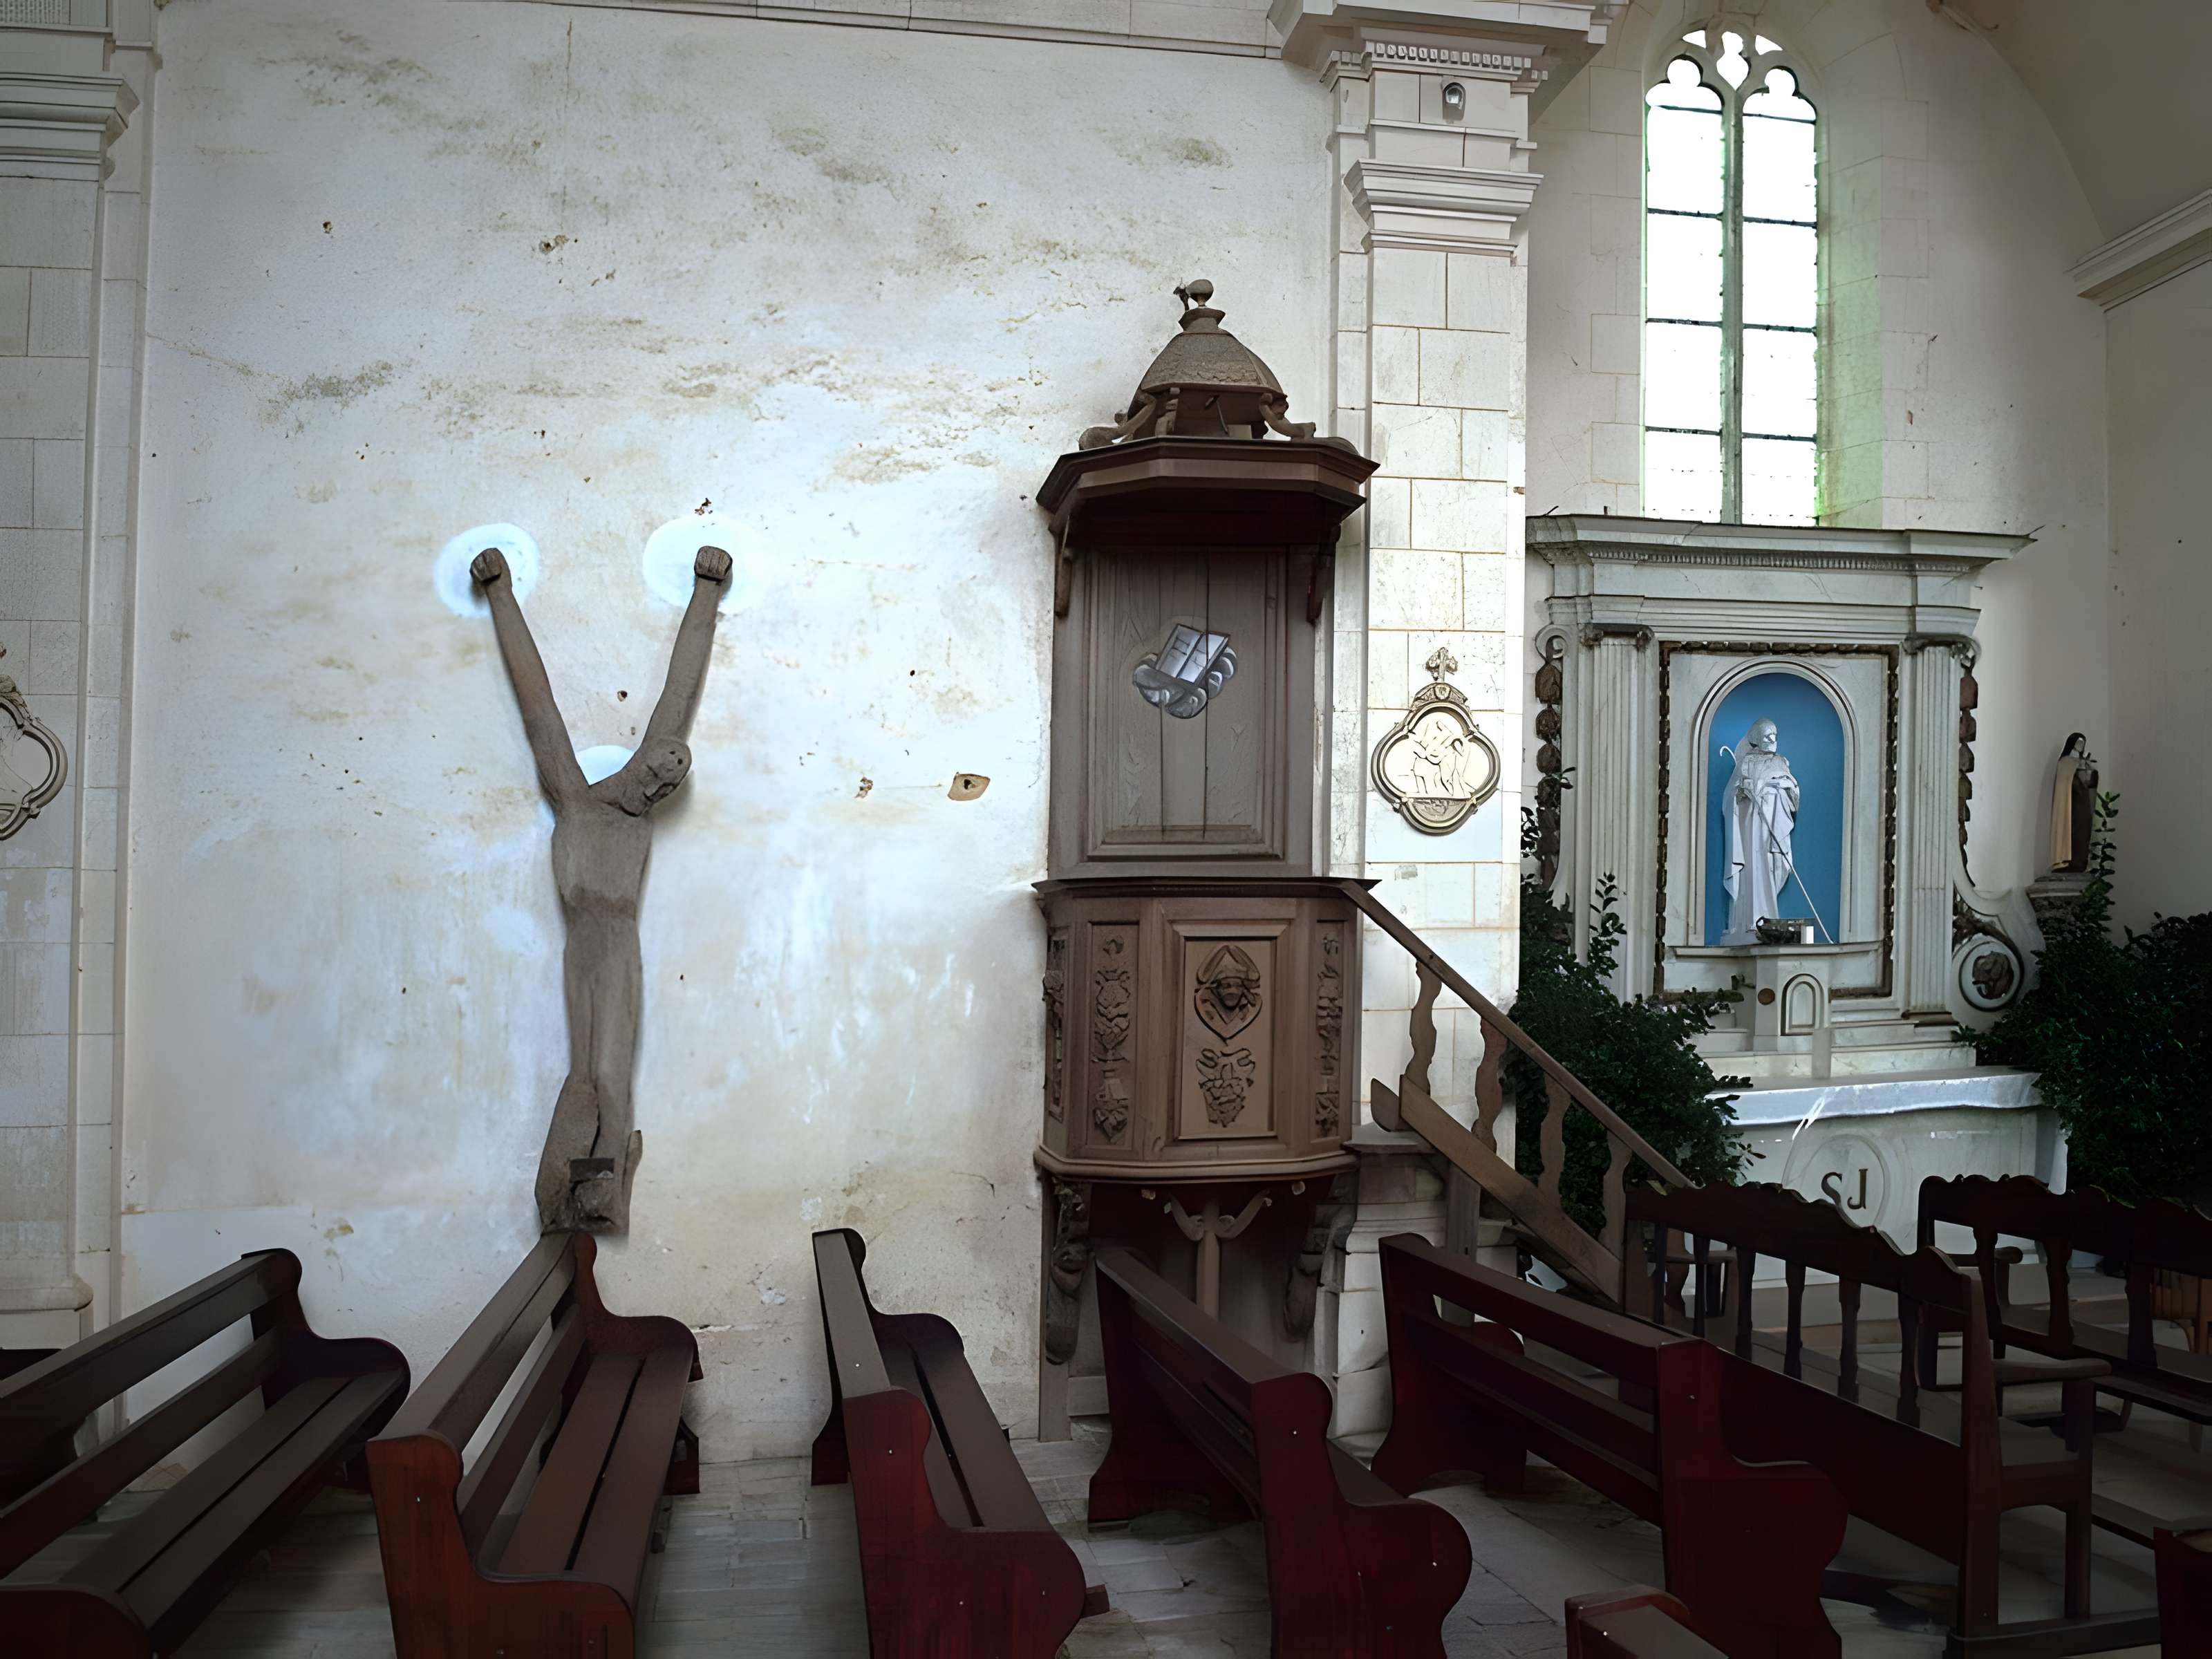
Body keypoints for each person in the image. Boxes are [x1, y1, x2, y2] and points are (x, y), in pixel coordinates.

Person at [473, 543, 730, 1232]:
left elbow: (683, 690)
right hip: (582, 953)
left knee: (610, 1083)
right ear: (640, 760)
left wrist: (707, 592)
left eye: (672, 782)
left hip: (618, 952)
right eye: (658, 768)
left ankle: (597, 1193)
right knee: (582, 1080)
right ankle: (567, 1194)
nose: (660, 783)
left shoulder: (632, 822)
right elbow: (536, 705)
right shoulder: (577, 802)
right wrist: (499, 591)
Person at [1722, 718, 1800, 945]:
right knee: (1752, 867)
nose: (1772, 740)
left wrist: (1782, 787)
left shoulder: (1782, 762)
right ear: (1755, 738)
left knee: (1769, 867)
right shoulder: (1745, 764)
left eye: (1775, 735)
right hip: (1751, 827)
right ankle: (1748, 920)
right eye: (1767, 735)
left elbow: (1794, 793)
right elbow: (1729, 799)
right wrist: (1741, 791)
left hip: (1774, 824)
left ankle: (1768, 919)